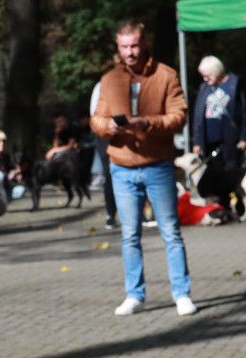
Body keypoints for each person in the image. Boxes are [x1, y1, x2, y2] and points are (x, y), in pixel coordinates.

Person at [91, 20, 196, 317]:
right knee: (129, 235)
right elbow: (96, 119)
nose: (129, 53)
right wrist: (108, 126)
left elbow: (179, 116)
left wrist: (148, 123)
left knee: (171, 232)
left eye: (134, 46)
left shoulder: (166, 75)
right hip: (121, 166)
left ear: (144, 43)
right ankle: (134, 294)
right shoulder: (109, 79)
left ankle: (182, 294)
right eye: (124, 47)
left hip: (157, 165)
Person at [191, 56, 246, 171]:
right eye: (203, 76)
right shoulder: (204, 88)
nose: (205, 79)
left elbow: (245, 113)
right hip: (209, 141)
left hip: (231, 140)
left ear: (218, 72)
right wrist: (197, 142)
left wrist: (245, 137)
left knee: (232, 174)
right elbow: (198, 117)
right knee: (213, 175)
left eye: (208, 75)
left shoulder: (234, 85)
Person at [90, 81, 117, 230]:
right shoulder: (101, 86)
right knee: (109, 175)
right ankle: (110, 214)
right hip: (106, 137)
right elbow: (94, 115)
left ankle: (141, 214)